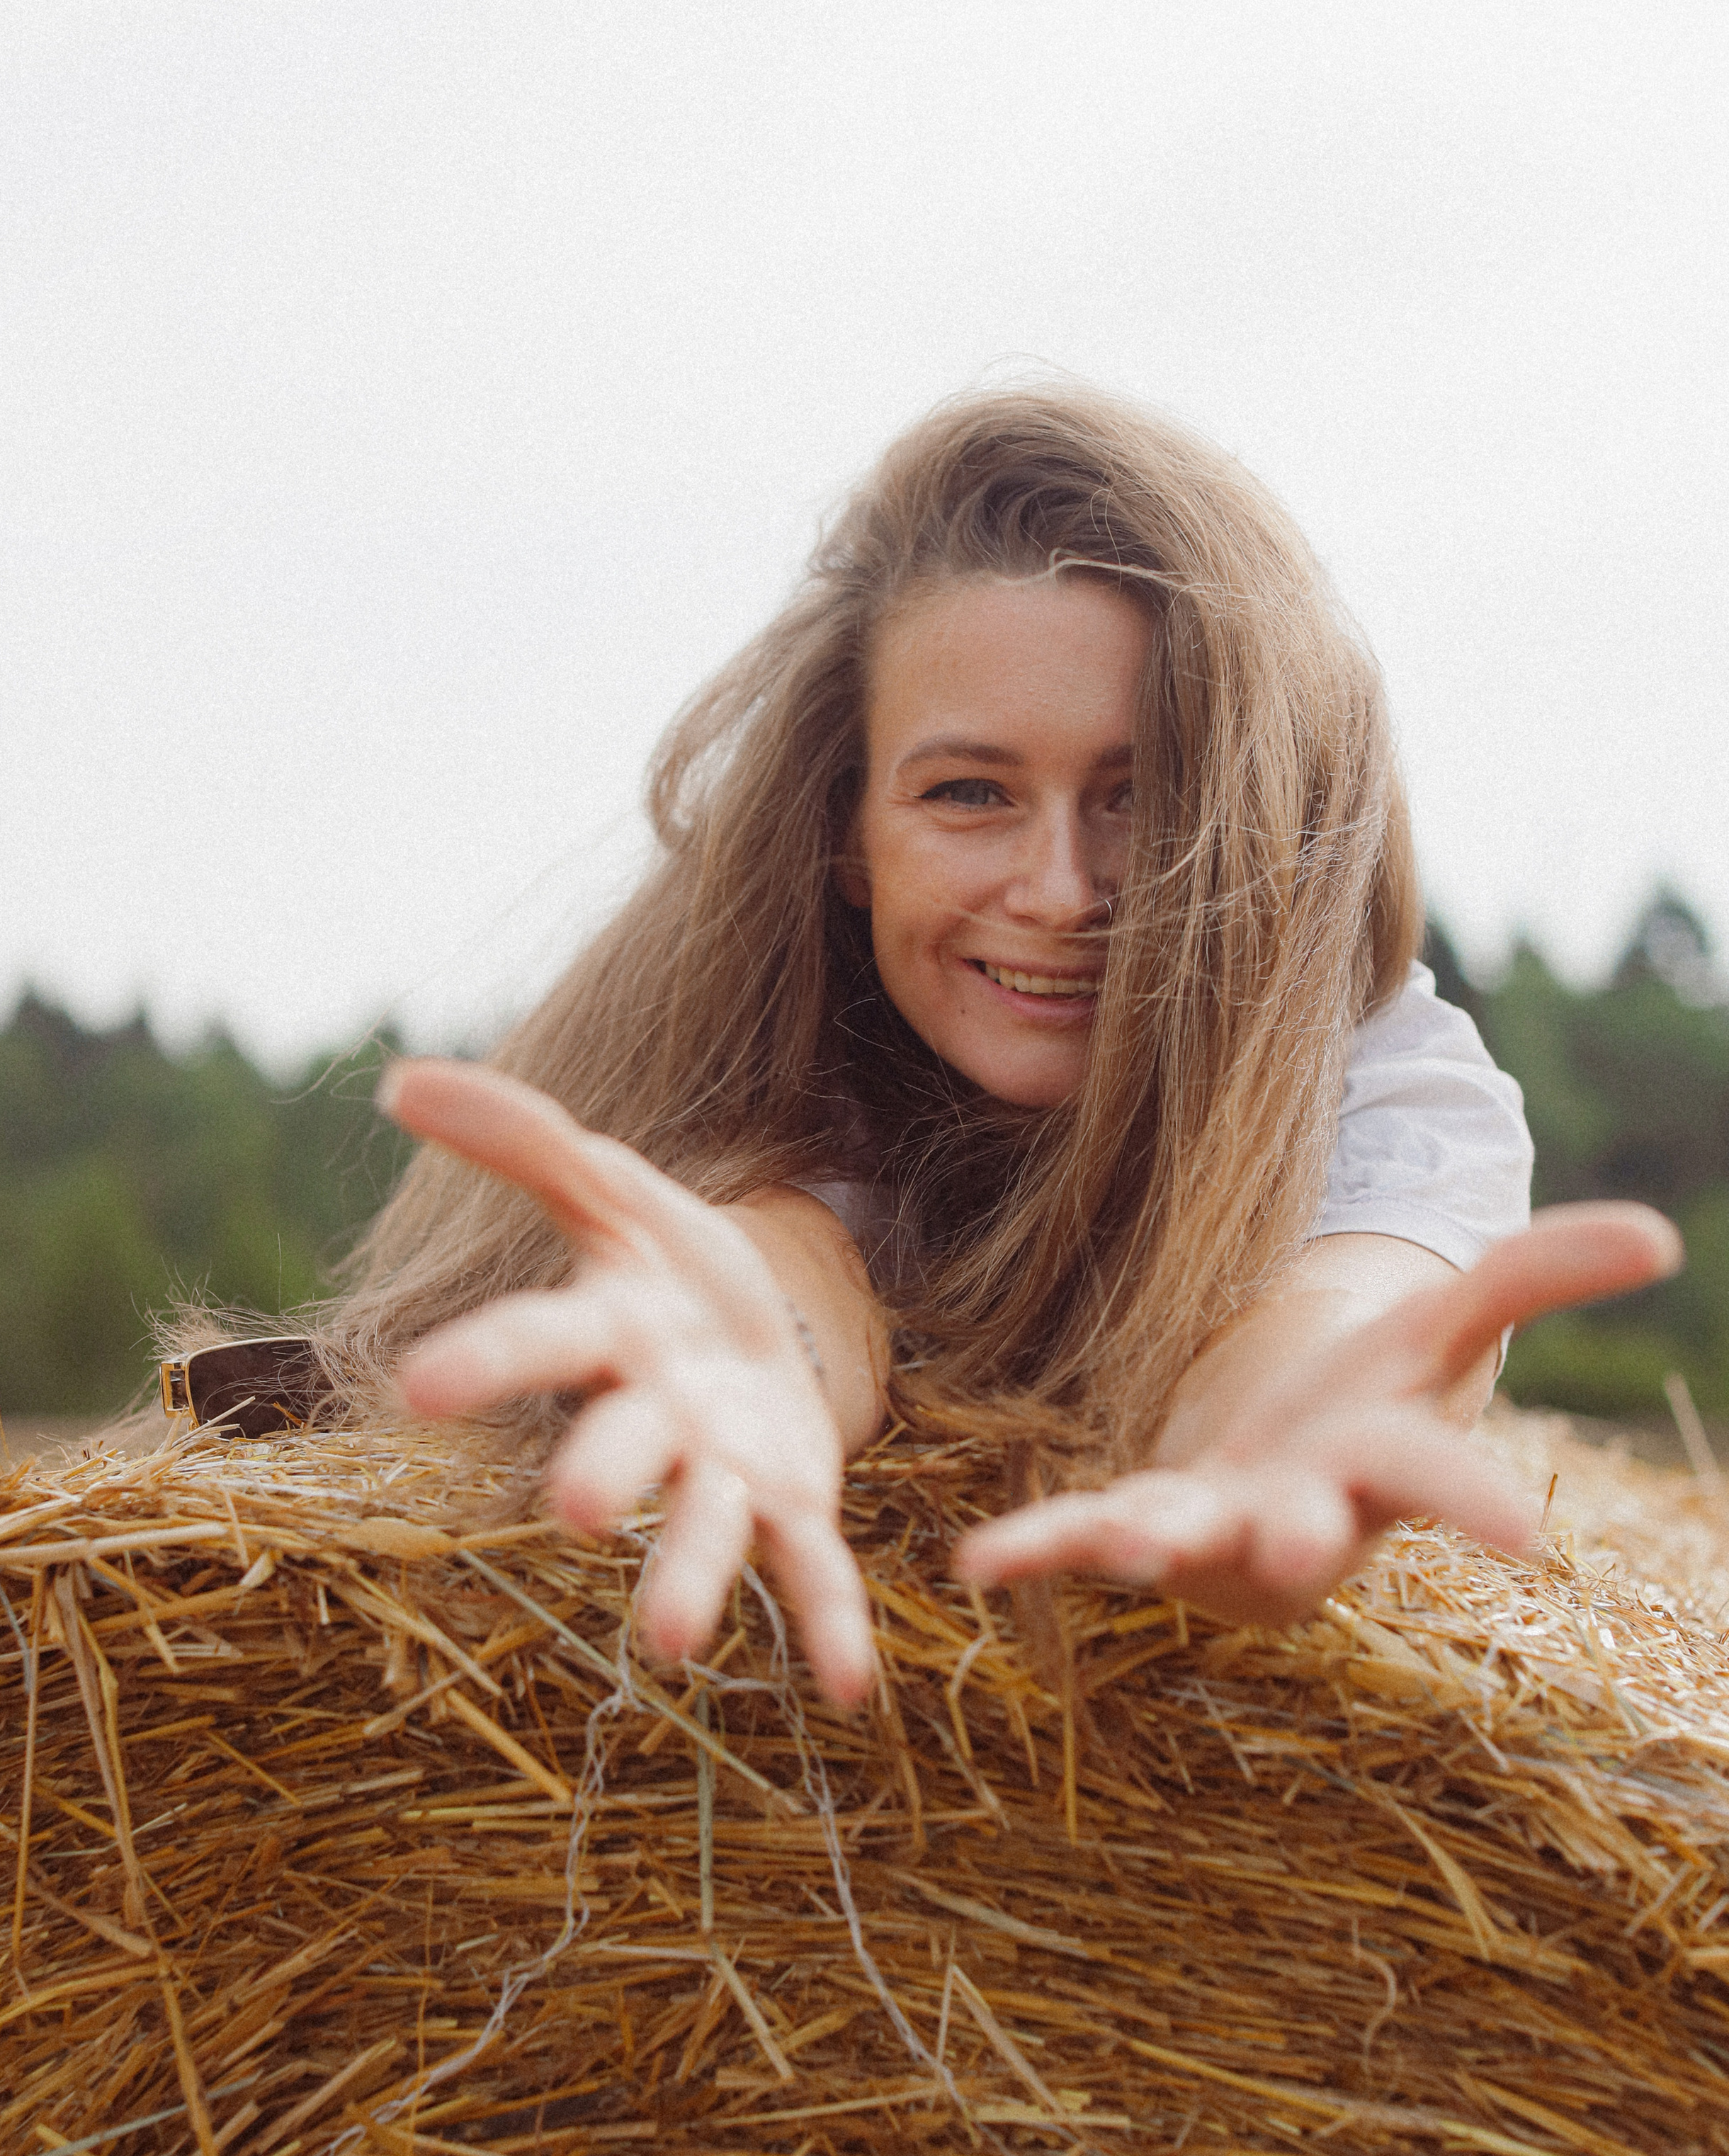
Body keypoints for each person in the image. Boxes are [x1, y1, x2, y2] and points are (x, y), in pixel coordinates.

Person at [317, 387, 1676, 1707]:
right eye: (970, 792)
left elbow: (1331, 1326)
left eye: (1143, 798)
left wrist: (1273, 1446)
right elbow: (792, 1272)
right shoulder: (792, 1037)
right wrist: (729, 1335)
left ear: (1255, 821)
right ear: (846, 831)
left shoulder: (1382, 1086)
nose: (1061, 892)